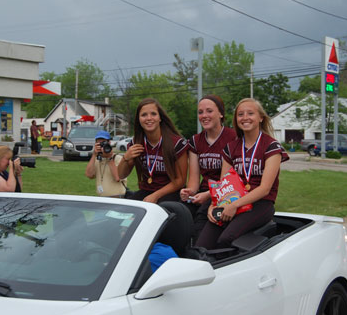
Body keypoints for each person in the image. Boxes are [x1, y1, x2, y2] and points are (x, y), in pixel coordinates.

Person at [195, 98, 289, 249]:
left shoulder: (271, 147)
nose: (245, 117)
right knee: (202, 245)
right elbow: (223, 184)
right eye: (240, 114)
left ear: (260, 118)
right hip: (232, 201)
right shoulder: (231, 147)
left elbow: (265, 188)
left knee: (226, 238)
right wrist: (214, 205)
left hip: (260, 203)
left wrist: (234, 205)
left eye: (250, 113)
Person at [179, 95, 236, 241]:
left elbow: (230, 180)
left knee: (201, 217)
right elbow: (194, 180)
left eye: (209, 111)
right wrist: (189, 192)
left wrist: (208, 195)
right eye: (200, 112)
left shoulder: (233, 137)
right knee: (177, 212)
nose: (204, 116)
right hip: (203, 193)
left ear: (221, 113)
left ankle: (199, 253)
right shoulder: (195, 141)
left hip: (227, 193)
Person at [118, 98, 188, 203]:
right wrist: (126, 158)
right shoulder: (136, 143)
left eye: (153, 114)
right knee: (122, 213)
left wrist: (155, 196)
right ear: (138, 119)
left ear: (160, 118)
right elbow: (121, 175)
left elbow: (180, 181)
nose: (149, 118)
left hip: (171, 194)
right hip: (146, 191)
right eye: (144, 115)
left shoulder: (176, 143)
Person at [85, 130, 127, 197]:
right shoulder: (97, 160)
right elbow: (89, 175)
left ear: (109, 143)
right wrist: (94, 155)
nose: (102, 146)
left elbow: (117, 178)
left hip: (117, 198)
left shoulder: (118, 158)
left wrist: (109, 158)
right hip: (102, 199)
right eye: (99, 143)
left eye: (104, 142)